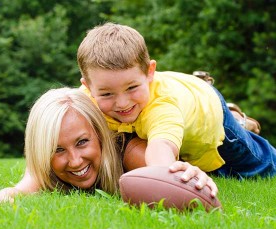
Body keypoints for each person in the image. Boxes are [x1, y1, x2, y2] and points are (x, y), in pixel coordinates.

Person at [77, 22, 276, 179]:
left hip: (208, 112)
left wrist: (165, 175)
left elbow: (160, 147)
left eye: (131, 88)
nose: (122, 103)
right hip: (179, 95)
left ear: (149, 72)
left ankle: (237, 123)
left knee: (256, 166)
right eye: (107, 94)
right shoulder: (83, 100)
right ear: (88, 86)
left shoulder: (161, 106)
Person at [0, 87, 217, 203]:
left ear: (100, 134)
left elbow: (173, 177)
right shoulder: (46, 167)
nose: (75, 160)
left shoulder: (131, 153)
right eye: (58, 150)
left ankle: (236, 117)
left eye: (82, 142)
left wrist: (187, 174)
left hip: (203, 105)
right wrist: (7, 195)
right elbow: (19, 190)